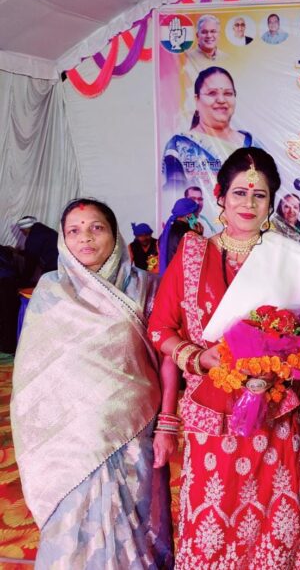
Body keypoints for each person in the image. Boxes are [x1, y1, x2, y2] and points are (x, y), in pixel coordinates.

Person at [147, 147, 300, 567]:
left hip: (275, 416)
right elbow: (161, 329)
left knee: (276, 522)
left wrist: (284, 361)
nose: (249, 203)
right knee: (215, 518)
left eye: (259, 195)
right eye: (240, 193)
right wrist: (198, 358)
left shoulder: (289, 259)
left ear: (271, 202)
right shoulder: (192, 254)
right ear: (220, 196)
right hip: (210, 415)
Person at [11, 198, 174, 568]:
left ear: (114, 235)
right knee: (75, 519)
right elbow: (33, 371)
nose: (85, 237)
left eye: (96, 228)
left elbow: (166, 354)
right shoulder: (50, 291)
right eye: (74, 230)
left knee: (136, 516)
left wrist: (168, 420)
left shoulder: (146, 287)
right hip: (70, 435)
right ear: (63, 239)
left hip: (134, 424)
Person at [162, 66, 254, 187]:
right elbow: (175, 192)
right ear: (197, 99)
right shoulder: (179, 145)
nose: (221, 100)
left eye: (228, 93)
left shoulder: (253, 144)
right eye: (212, 93)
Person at [159, 197, 203, 274]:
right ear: (189, 215)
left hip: (169, 274)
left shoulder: (167, 230)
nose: (197, 216)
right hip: (181, 274)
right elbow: (196, 256)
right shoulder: (188, 232)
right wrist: (199, 236)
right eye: (196, 213)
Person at [16, 215, 58, 286]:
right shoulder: (44, 230)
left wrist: (22, 282)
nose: (22, 232)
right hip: (64, 262)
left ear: (25, 229)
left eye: (22, 230)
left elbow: (30, 264)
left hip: (53, 266)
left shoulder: (32, 238)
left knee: (47, 286)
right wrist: (19, 252)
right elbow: (34, 251)